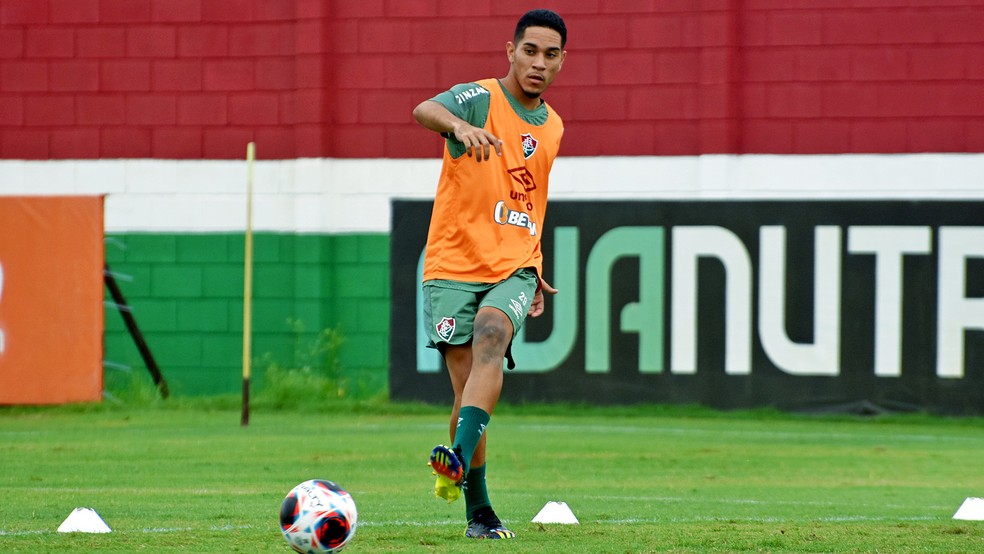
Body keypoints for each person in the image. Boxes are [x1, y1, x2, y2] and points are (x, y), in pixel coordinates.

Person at [411, 8, 568, 540]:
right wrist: (458, 126)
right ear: (511, 51)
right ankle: (476, 508)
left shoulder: (555, 127)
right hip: (452, 265)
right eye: (530, 51)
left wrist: (536, 258)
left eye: (550, 55)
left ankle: (456, 461)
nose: (538, 63)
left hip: (514, 265)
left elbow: (532, 200)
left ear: (561, 61)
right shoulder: (479, 98)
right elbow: (423, 109)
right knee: (465, 391)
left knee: (492, 340)